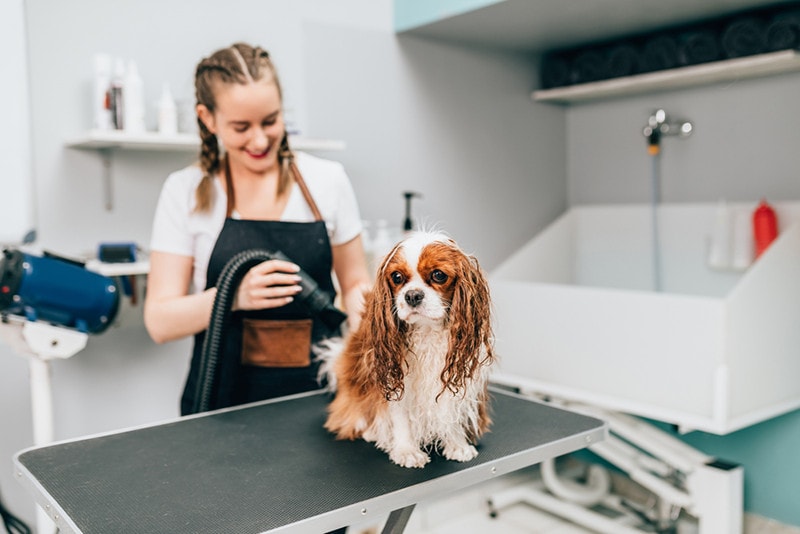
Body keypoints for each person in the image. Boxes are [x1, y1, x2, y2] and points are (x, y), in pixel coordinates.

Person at [144, 42, 371, 418]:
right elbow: (159, 321)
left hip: (323, 401)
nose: (260, 140)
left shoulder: (328, 181)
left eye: (270, 121)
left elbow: (355, 286)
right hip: (219, 402)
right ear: (208, 118)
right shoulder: (183, 190)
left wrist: (375, 338)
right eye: (241, 127)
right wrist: (232, 295)